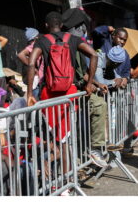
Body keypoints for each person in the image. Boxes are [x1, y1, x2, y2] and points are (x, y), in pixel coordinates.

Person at [26, 11, 98, 195]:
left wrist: (28, 93)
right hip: (69, 94)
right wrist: (89, 84)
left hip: (49, 95)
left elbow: (31, 63)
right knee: (65, 140)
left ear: (46, 25)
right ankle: (66, 181)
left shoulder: (42, 41)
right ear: (61, 24)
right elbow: (94, 55)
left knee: (54, 139)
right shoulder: (73, 39)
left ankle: (62, 184)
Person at [61, 8, 109, 168]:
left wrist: (96, 83)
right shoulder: (74, 43)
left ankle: (96, 148)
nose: (85, 30)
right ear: (78, 27)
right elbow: (83, 74)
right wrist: (90, 85)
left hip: (77, 90)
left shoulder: (72, 42)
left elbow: (84, 74)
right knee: (98, 105)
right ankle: (94, 149)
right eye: (83, 26)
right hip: (71, 92)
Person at [17, 27, 44, 100]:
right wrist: (32, 67)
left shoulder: (31, 46)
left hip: (37, 80)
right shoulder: (34, 46)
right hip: (39, 79)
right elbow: (20, 55)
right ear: (36, 37)